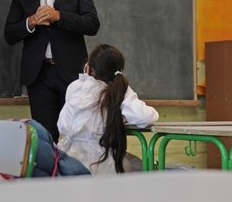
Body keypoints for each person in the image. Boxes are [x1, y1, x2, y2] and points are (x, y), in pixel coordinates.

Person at [4, 0, 100, 141]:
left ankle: (74, 171)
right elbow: (10, 34)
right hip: (39, 76)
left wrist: (59, 16)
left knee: (76, 134)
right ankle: (52, 171)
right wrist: (30, 22)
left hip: (72, 74)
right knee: (45, 137)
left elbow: (92, 24)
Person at [57, 44, 159, 175]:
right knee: (147, 170)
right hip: (103, 164)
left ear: (89, 69)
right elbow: (148, 117)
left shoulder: (74, 87)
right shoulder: (119, 91)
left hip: (66, 161)